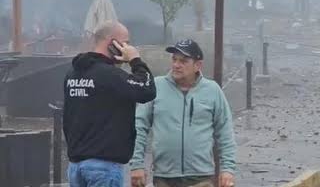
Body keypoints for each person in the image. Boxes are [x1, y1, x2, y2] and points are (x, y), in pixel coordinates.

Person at [130, 39, 237, 187]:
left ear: (197, 65)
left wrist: (228, 169)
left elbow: (225, 132)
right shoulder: (156, 87)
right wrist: (136, 165)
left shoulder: (212, 91)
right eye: (174, 59)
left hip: (201, 178)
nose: (176, 65)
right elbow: (138, 127)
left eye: (183, 61)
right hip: (163, 177)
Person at [63, 21, 157, 187]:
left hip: (76, 166)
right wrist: (135, 60)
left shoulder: (73, 74)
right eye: (125, 43)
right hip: (103, 167)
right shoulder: (110, 75)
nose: (128, 47)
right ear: (113, 43)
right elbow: (146, 90)